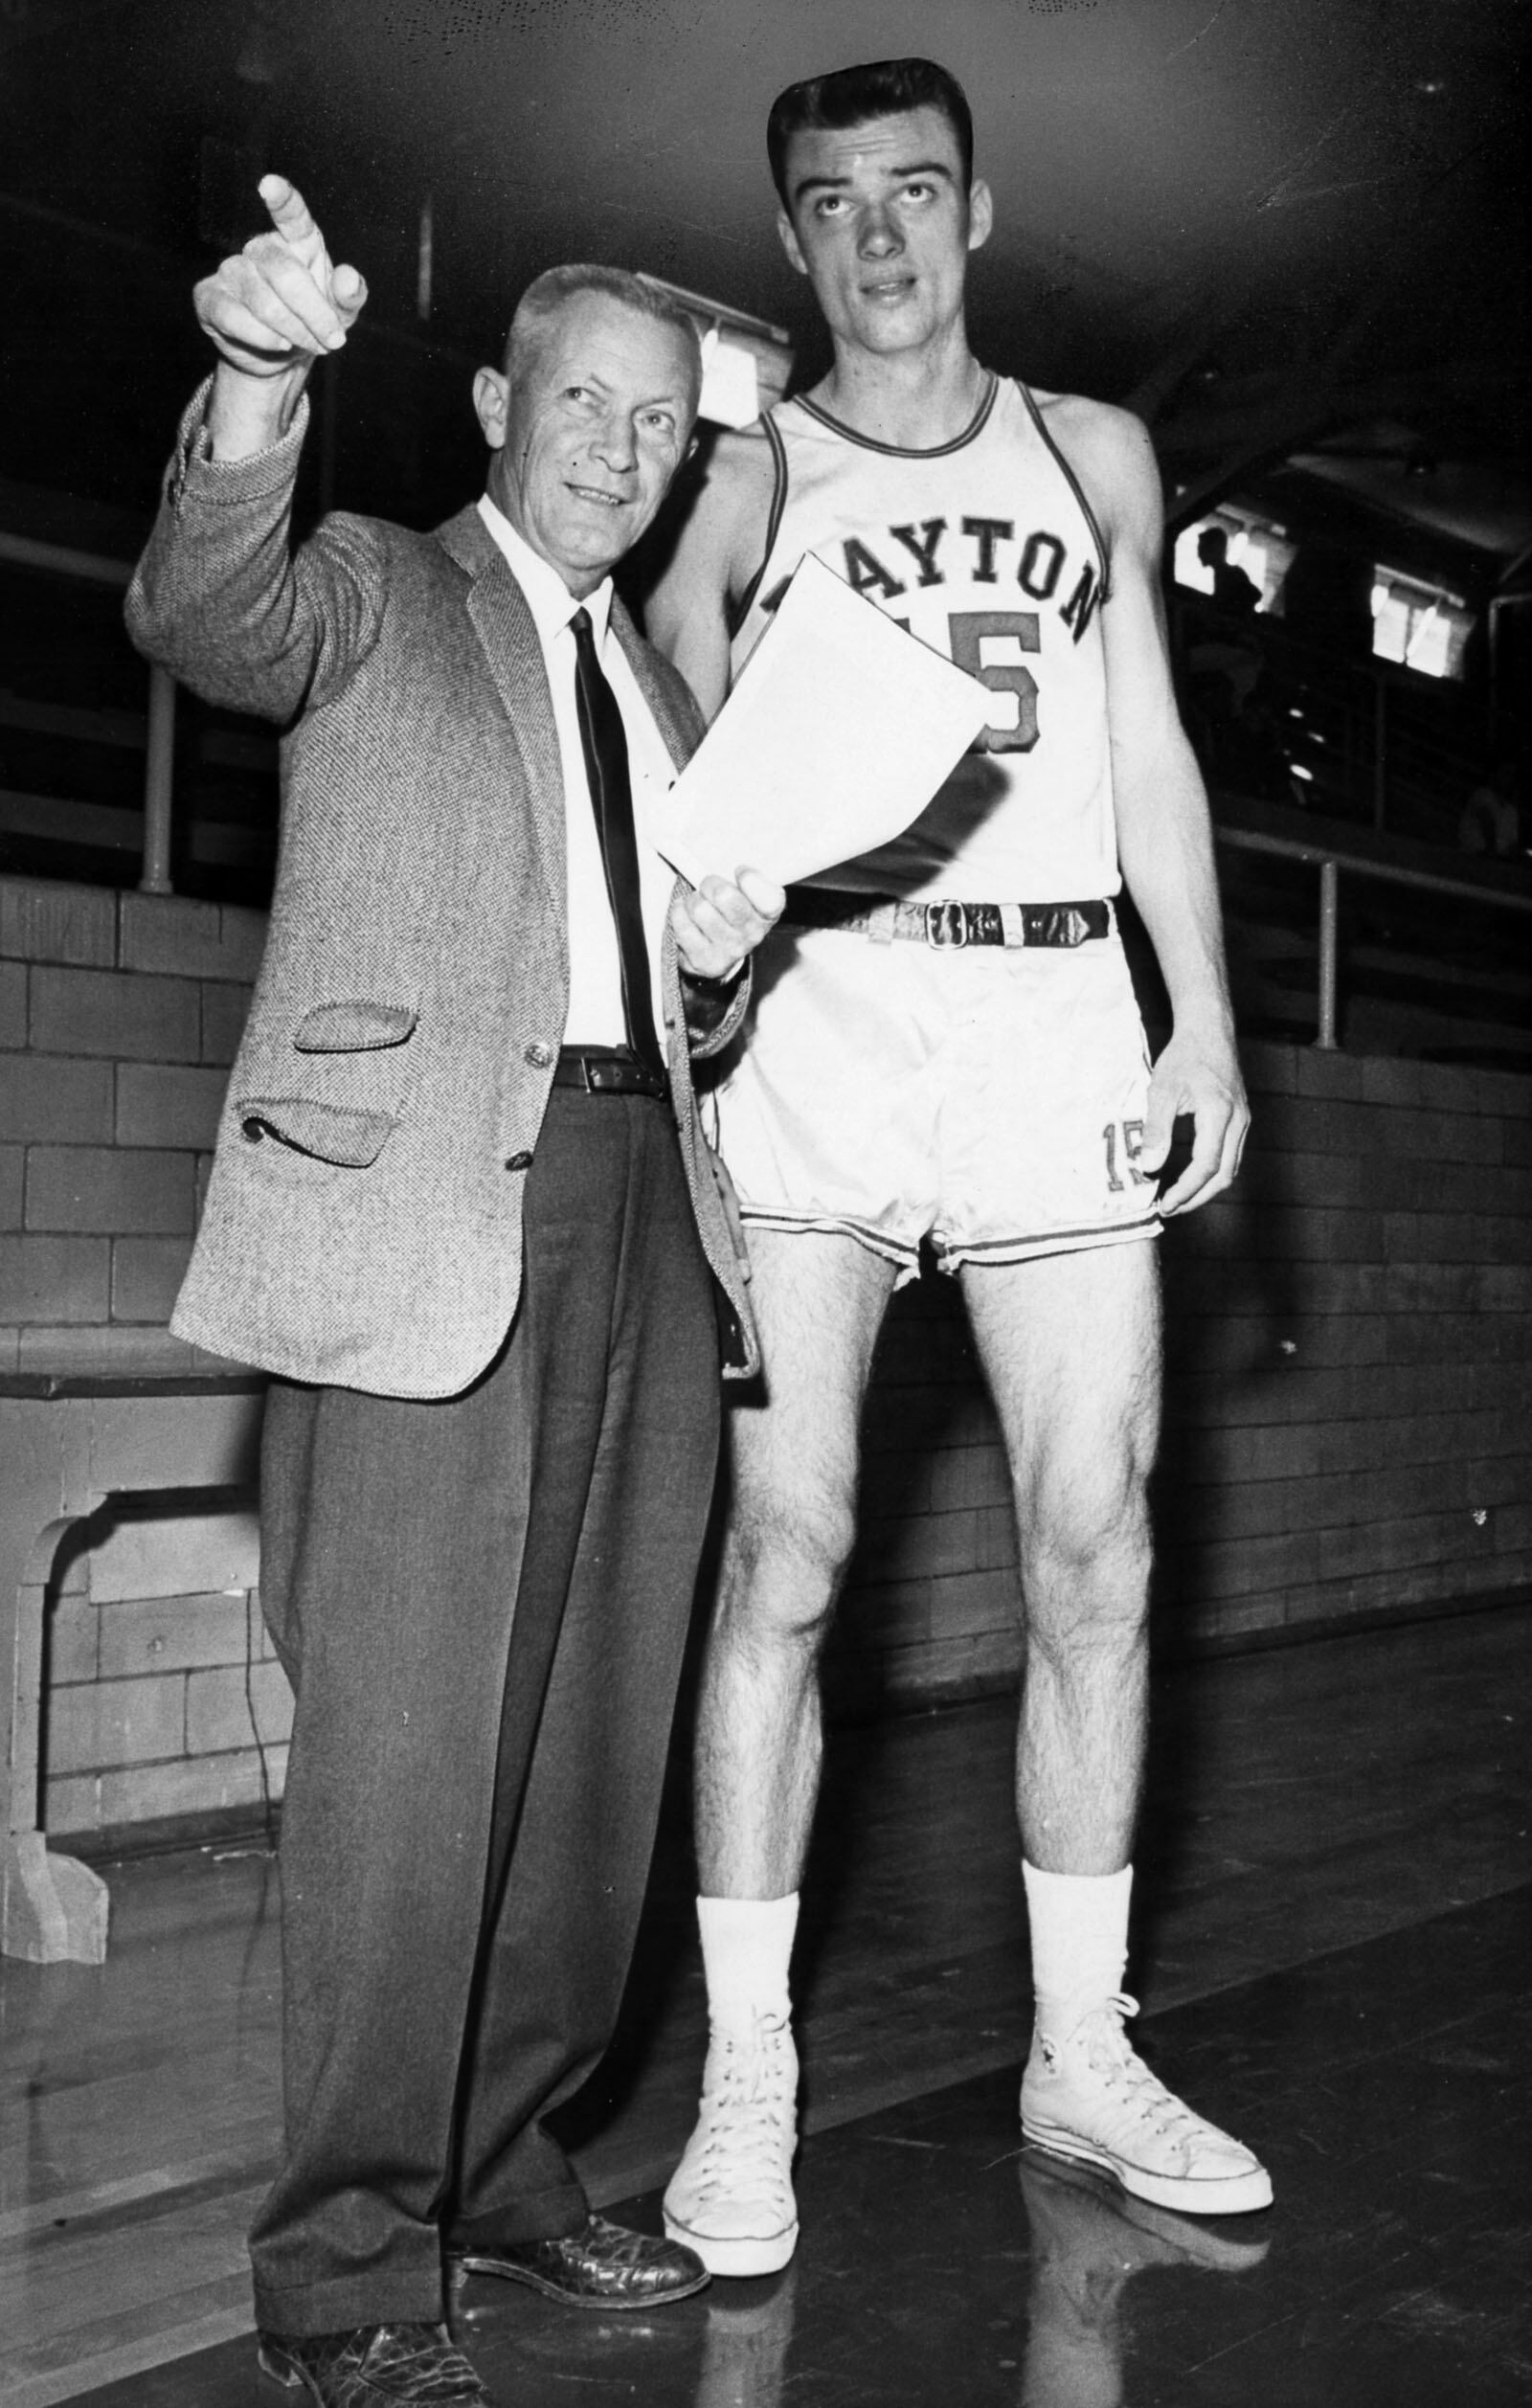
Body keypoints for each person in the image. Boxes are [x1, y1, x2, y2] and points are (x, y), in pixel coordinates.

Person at [126, 175, 784, 2408]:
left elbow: (643, 947)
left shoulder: (665, 687)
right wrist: (256, 380)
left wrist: (720, 962)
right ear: (502, 401)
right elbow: (206, 609)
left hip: (641, 1196)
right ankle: (339, 2267)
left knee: (593, 1757)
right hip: (427, 1221)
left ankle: (505, 2166)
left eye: (655, 427)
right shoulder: (382, 588)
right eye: (579, 402)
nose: (612, 449)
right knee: (407, 1768)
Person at [643, 57, 1270, 2279]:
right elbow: (674, 759)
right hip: (825, 1019)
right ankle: (743, 2088)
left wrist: (1195, 1013)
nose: (880, 239)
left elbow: (1150, 749)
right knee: (785, 1548)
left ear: (978, 211)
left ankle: (1077, 2050)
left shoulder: (1089, 448)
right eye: (833, 206)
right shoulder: (744, 469)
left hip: (1041, 1025)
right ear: (791, 239)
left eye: (916, 194)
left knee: (1093, 1543)